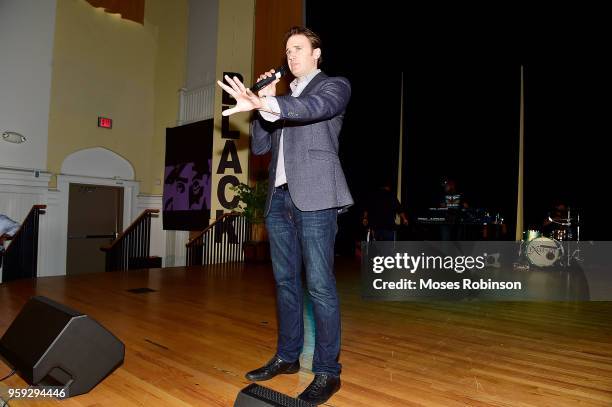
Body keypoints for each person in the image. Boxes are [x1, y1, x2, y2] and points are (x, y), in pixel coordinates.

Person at [217, 26, 352, 404]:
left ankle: (328, 371)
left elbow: (314, 110)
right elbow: (261, 145)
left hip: (316, 197)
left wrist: (269, 105)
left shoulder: (334, 86)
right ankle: (287, 357)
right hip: (279, 201)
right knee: (285, 284)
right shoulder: (278, 96)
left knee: (321, 286)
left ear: (316, 54)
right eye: (287, 50)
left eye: (298, 48)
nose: (290, 55)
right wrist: (262, 100)